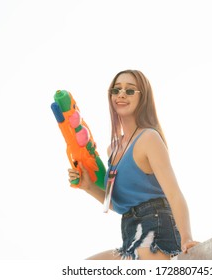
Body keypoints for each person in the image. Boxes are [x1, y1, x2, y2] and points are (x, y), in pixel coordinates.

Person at [68, 69, 199, 260]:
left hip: (157, 231)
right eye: (116, 89)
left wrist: (187, 239)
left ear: (142, 98)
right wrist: (88, 187)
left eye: (130, 91)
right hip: (130, 234)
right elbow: (121, 205)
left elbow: (174, 194)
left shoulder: (148, 138)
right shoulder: (112, 150)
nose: (121, 94)